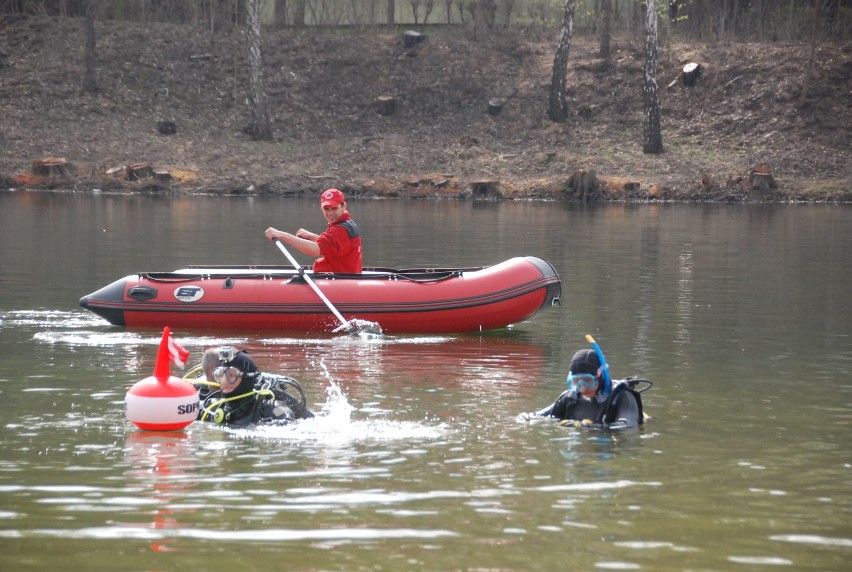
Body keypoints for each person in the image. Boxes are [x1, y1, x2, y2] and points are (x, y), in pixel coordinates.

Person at [518, 346, 651, 430]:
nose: (582, 387)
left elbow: (628, 426)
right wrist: (526, 417)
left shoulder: (621, 396)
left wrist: (587, 427)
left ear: (599, 376)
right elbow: (542, 416)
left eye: (588, 381)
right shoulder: (570, 397)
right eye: (576, 381)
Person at [192, 347, 314, 427]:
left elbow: (288, 421)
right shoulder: (212, 406)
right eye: (219, 375)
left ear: (247, 377)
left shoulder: (270, 407)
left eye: (231, 375)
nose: (223, 381)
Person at [264, 188, 362, 274]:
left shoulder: (339, 230)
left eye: (334, 208)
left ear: (344, 206)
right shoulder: (348, 224)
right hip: (346, 278)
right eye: (326, 209)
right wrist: (312, 236)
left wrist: (282, 235)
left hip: (339, 283)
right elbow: (332, 245)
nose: (330, 213)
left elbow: (315, 250)